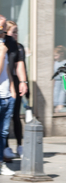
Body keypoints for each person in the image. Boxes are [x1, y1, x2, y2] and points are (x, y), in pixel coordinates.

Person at [3, 20, 29, 160]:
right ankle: (6, 147)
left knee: (15, 116)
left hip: (15, 84)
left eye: (17, 32)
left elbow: (21, 65)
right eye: (13, 31)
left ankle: (19, 145)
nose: (16, 34)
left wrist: (24, 83)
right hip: (5, 83)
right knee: (5, 118)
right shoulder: (4, 45)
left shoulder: (18, 47)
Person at [0, 15, 17, 175]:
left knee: (3, 133)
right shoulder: (1, 48)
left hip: (6, 96)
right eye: (2, 28)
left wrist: (12, 89)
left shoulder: (3, 45)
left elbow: (6, 71)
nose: (4, 31)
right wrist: (2, 52)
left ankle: (1, 164)